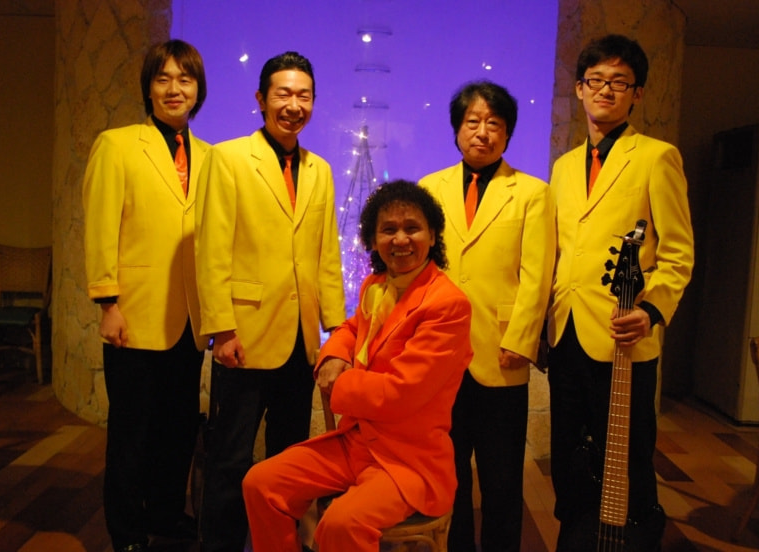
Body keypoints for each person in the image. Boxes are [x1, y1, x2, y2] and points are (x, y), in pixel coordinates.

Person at [241, 180, 473, 552]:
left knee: (341, 523)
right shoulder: (376, 285)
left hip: (409, 460)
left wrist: (339, 383)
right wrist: (333, 356)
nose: (400, 239)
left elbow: (401, 393)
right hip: (356, 442)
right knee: (260, 483)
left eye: (412, 228)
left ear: (432, 235)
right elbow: (350, 329)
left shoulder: (448, 304)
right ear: (373, 239)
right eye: (388, 229)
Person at [546, 34, 694, 551]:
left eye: (619, 82)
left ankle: (627, 540)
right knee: (567, 456)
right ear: (579, 88)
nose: (605, 90)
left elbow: (678, 253)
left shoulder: (657, 157)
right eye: (596, 80)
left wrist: (651, 310)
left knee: (627, 460)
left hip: (623, 334)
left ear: (638, 93)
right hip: (566, 332)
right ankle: (574, 539)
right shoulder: (564, 166)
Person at [194, 51, 346, 552]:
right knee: (230, 457)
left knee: (289, 458)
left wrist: (337, 334)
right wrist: (221, 330)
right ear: (261, 99)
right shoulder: (229, 157)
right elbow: (212, 250)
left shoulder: (320, 170)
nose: (293, 105)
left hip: (300, 343)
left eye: (304, 95)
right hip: (244, 336)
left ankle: (278, 544)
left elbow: (326, 257)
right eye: (283, 94)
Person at [82, 39, 209, 552]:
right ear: (148, 88)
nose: (174, 89)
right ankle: (127, 529)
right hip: (133, 313)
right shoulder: (116, 145)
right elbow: (100, 226)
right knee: (132, 430)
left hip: (190, 317)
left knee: (178, 426)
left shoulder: (210, 157)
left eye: (185, 79)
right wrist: (107, 303)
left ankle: (165, 512)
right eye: (163, 78)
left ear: (198, 90)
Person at [419, 81, 555, 552]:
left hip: (502, 353)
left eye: (493, 123)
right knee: (447, 471)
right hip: (440, 356)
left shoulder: (533, 193)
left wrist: (522, 338)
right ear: (457, 130)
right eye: (472, 122)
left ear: (508, 132)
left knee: (502, 478)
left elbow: (537, 276)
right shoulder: (429, 188)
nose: (482, 132)